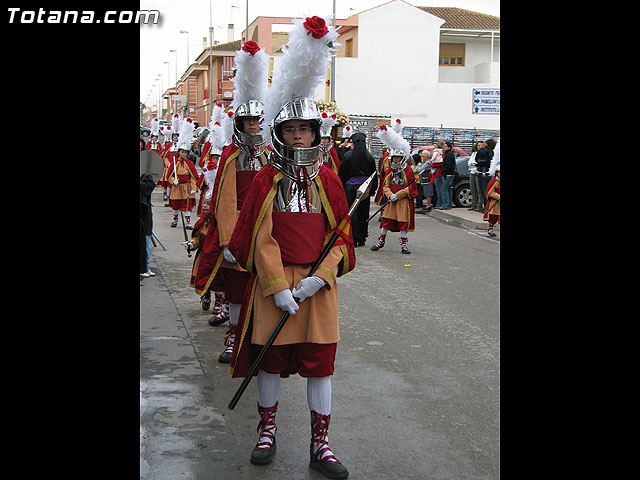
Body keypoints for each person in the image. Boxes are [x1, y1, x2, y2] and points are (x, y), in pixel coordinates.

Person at [227, 17, 351, 479]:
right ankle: (267, 430)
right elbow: (259, 237)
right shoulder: (266, 179)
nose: (300, 136)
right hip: (273, 286)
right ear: (280, 133)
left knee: (321, 364)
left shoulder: (331, 180)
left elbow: (340, 235)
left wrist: (322, 275)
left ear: (317, 134)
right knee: (271, 361)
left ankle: (322, 443)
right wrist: (279, 286)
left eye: (307, 129)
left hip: (319, 286)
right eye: (292, 129)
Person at [190, 40, 270, 362]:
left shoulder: (271, 156)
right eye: (247, 122)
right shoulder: (230, 156)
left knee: (265, 286)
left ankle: (259, 337)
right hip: (236, 228)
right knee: (236, 288)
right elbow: (223, 201)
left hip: (265, 230)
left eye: (256, 121)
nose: (252, 126)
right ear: (238, 124)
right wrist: (227, 238)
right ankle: (234, 337)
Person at [371, 124, 418, 254]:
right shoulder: (390, 171)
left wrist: (399, 195)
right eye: (394, 157)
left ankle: (403, 244)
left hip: (402, 200)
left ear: (402, 158)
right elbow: (385, 185)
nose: (395, 160)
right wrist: (389, 194)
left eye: (397, 157)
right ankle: (381, 240)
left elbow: (411, 187)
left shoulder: (407, 170)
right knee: (386, 220)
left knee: (403, 221)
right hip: (391, 200)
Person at [338, 130, 377, 247]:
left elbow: (342, 174)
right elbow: (373, 175)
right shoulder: (369, 157)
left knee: (351, 212)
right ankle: (362, 237)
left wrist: (341, 186)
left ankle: (352, 237)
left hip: (350, 188)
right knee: (363, 212)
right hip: (365, 188)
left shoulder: (348, 156)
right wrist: (373, 189)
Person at [167, 117, 198, 229]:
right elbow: (168, 176)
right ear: (179, 152)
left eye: (185, 152)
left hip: (187, 187)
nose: (184, 154)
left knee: (187, 205)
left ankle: (188, 223)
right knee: (176, 205)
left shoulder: (189, 163)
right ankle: (175, 221)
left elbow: (193, 177)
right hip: (177, 186)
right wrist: (172, 181)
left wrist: (193, 187)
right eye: (182, 152)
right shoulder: (174, 162)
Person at [140, 171, 156, 279]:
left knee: (147, 248)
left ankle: (146, 267)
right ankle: (144, 268)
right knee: (145, 249)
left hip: (146, 225)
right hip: (143, 225)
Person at [475, 138, 495, 210]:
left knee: (483, 191)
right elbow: (492, 159)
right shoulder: (490, 152)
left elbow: (476, 159)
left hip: (483, 172)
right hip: (488, 172)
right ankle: (486, 207)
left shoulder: (480, 151)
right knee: (486, 191)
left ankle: (485, 207)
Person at [483, 166, 500, 236]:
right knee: (493, 217)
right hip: (495, 203)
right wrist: (498, 197)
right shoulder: (493, 182)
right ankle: (490, 228)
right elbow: (490, 192)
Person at [439, 141, 456, 210]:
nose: (444, 147)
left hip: (448, 174)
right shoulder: (449, 154)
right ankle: (449, 203)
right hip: (450, 174)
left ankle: (446, 204)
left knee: (444, 189)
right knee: (448, 189)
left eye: (445, 146)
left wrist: (444, 172)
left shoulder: (449, 155)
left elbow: (447, 165)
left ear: (449, 147)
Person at [467, 141, 483, 212]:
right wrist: (472, 164)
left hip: (478, 171)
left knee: (479, 189)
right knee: (473, 189)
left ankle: (479, 205)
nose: (479, 147)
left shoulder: (483, 154)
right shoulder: (474, 153)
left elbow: (479, 163)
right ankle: (473, 204)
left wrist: (474, 164)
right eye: (478, 145)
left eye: (480, 145)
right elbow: (469, 162)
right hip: (472, 171)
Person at [430, 141, 444, 209]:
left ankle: (439, 203)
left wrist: (431, 162)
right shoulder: (442, 153)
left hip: (437, 173)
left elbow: (432, 159)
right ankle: (439, 203)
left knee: (438, 189)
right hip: (438, 172)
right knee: (439, 189)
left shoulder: (436, 152)